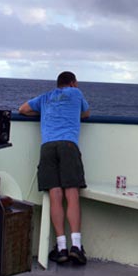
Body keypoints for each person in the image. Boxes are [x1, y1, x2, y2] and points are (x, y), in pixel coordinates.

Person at [19, 71, 90, 265]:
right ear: (73, 83)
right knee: (72, 194)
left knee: (55, 195)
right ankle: (76, 245)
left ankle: (61, 248)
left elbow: (23, 109)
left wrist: (43, 113)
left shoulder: (45, 97)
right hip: (68, 145)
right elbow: (86, 113)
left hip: (47, 147)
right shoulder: (76, 94)